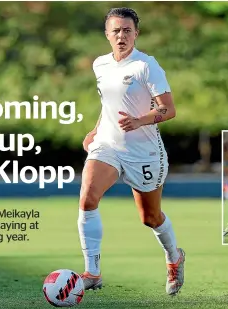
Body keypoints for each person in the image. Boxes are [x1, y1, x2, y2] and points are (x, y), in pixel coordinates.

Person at [78, 7, 185, 296]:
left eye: (127, 30)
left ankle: (174, 258)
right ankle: (93, 272)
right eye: (116, 31)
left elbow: (168, 109)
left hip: (144, 152)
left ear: (136, 33)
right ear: (107, 34)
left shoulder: (147, 66)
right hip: (108, 144)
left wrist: (140, 120)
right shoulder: (100, 64)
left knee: (150, 218)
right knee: (87, 198)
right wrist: (96, 128)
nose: (121, 36)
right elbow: (108, 104)